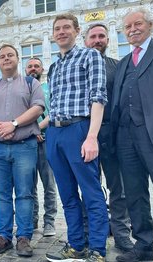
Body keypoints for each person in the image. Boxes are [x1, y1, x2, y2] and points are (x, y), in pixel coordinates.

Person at [44, 14, 108, 262]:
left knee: (91, 192)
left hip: (79, 130)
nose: (61, 32)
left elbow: (98, 97)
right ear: (53, 34)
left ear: (76, 31)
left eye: (66, 28)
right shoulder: (54, 66)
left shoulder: (90, 56)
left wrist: (91, 137)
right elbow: (54, 108)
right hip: (55, 133)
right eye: (57, 28)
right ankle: (76, 245)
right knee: (67, 194)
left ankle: (98, 250)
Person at [110, 8, 153, 262]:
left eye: (138, 24)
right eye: (128, 26)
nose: (132, 29)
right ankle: (144, 246)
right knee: (135, 193)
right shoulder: (122, 63)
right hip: (125, 137)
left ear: (150, 25)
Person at [0, 45, 44, 256]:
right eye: (2, 56)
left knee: (25, 193)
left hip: (24, 147)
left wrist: (13, 124)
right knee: (1, 195)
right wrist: (0, 127)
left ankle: (24, 237)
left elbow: (38, 107)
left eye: (10, 55)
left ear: (17, 59)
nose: (6, 59)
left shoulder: (30, 82)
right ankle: (4, 236)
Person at [84, 23, 133, 253]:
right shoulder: (79, 66)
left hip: (112, 134)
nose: (97, 40)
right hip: (84, 134)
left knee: (118, 188)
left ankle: (121, 233)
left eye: (101, 36)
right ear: (85, 40)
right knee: (89, 187)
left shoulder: (118, 66)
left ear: (108, 40)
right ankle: (92, 232)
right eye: (92, 36)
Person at [25, 57, 57, 237]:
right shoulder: (22, 89)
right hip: (27, 142)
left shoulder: (48, 89)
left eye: (36, 66)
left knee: (49, 184)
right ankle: (32, 220)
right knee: (29, 186)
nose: (32, 69)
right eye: (29, 66)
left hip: (46, 141)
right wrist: (30, 131)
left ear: (42, 69)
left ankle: (50, 222)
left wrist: (37, 128)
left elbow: (52, 113)